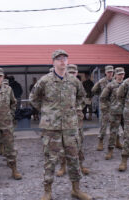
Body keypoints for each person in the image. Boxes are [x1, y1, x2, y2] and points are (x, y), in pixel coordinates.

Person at [30, 50, 91, 200]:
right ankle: (47, 191)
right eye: (59, 59)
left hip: (70, 126)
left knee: (73, 157)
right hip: (52, 127)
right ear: (53, 62)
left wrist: (75, 109)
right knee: (50, 159)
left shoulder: (74, 81)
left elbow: (82, 97)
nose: (62, 61)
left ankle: (76, 189)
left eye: (64, 58)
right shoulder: (45, 80)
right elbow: (33, 98)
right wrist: (46, 111)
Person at [56, 64, 89, 178]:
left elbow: (83, 98)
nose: (72, 74)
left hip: (77, 117)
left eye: (74, 72)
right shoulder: (62, 85)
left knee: (78, 141)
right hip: (64, 119)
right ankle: (63, 166)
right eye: (70, 72)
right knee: (63, 143)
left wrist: (78, 108)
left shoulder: (77, 85)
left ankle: (81, 164)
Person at [100, 67, 129, 160]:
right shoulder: (110, 85)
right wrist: (109, 108)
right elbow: (103, 97)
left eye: (122, 74)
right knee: (113, 132)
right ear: (115, 75)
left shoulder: (127, 84)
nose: (121, 76)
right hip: (115, 112)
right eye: (119, 74)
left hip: (126, 113)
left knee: (128, 133)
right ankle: (110, 151)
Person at [92, 65, 114, 151]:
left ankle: (117, 141)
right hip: (105, 107)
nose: (110, 74)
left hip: (114, 107)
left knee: (115, 125)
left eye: (111, 72)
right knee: (103, 126)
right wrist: (101, 95)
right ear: (105, 72)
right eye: (108, 72)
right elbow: (94, 90)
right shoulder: (101, 82)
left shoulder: (115, 81)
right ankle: (100, 142)